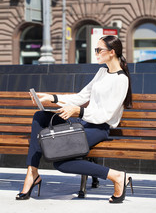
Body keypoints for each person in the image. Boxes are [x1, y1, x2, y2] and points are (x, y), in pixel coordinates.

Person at [16, 35, 133, 203]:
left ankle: (116, 176)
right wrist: (51, 98)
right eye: (96, 50)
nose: (96, 53)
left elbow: (106, 114)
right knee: (40, 116)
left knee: (60, 163)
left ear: (112, 52)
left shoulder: (121, 80)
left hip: (98, 128)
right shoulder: (101, 72)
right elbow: (80, 97)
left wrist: (79, 112)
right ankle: (32, 173)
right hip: (82, 123)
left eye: (99, 50)